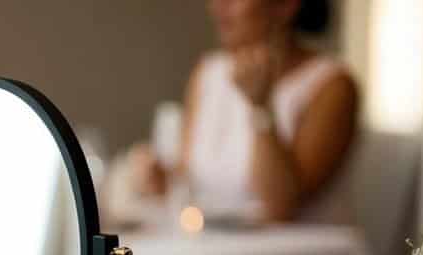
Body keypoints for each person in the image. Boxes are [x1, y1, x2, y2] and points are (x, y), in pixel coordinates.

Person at [136, 0, 357, 224]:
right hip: (221, 247)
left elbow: (281, 207)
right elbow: (189, 178)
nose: (218, 6)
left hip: (301, 254)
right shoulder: (208, 72)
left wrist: (260, 106)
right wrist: (164, 179)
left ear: (286, 6)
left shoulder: (333, 85)